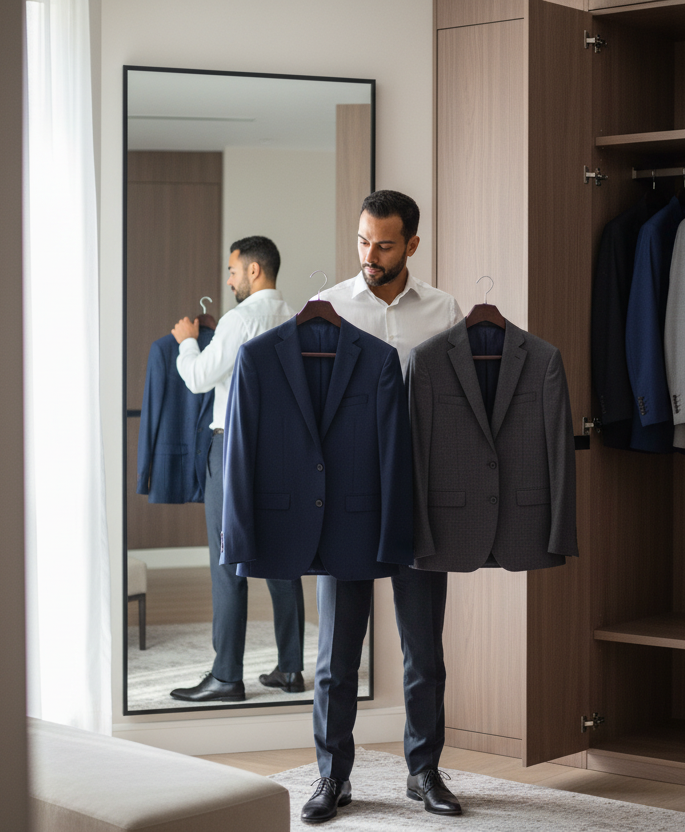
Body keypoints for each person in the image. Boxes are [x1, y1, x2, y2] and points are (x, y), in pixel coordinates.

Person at [298, 191, 465, 823]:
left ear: (413, 245)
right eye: (364, 242)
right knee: (338, 651)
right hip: (347, 501)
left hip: (419, 499)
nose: (371, 255)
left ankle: (423, 772)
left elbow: (454, 413)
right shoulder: (330, 309)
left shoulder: (445, 310)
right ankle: (331, 778)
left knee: (424, 651)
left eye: (386, 244)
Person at [168, 236, 307, 703]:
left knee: (228, 562)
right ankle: (290, 669)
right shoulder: (297, 320)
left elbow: (198, 378)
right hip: (285, 454)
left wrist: (187, 344)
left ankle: (227, 676)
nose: (228, 280)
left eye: (232, 270)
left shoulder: (240, 319)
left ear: (253, 270)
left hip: (234, 450)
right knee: (284, 559)